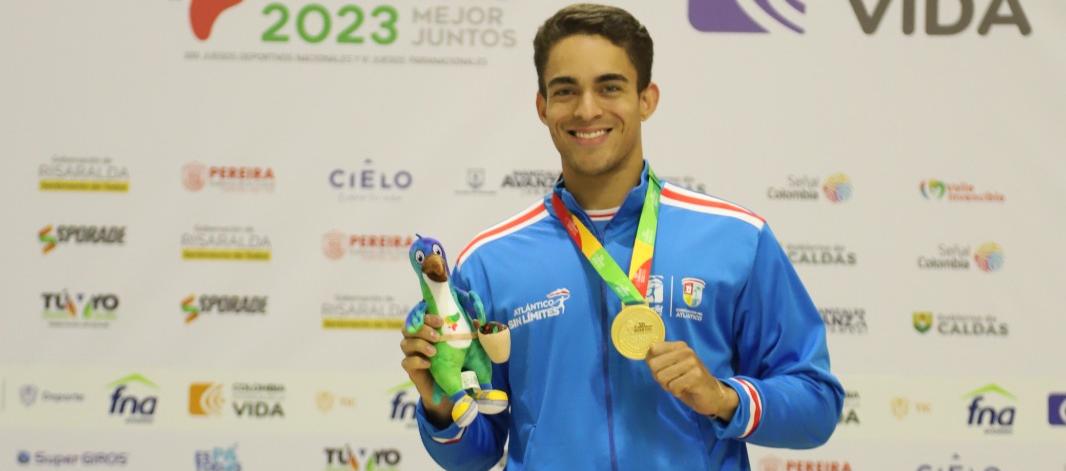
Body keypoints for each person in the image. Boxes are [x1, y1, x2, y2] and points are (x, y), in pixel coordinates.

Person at [399, 4, 844, 470]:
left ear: (647, 99)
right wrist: (440, 405)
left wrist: (723, 398)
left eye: (609, 87)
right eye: (566, 91)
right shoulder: (491, 262)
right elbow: (474, 454)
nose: (587, 109)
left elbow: (816, 405)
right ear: (542, 106)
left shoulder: (736, 239)